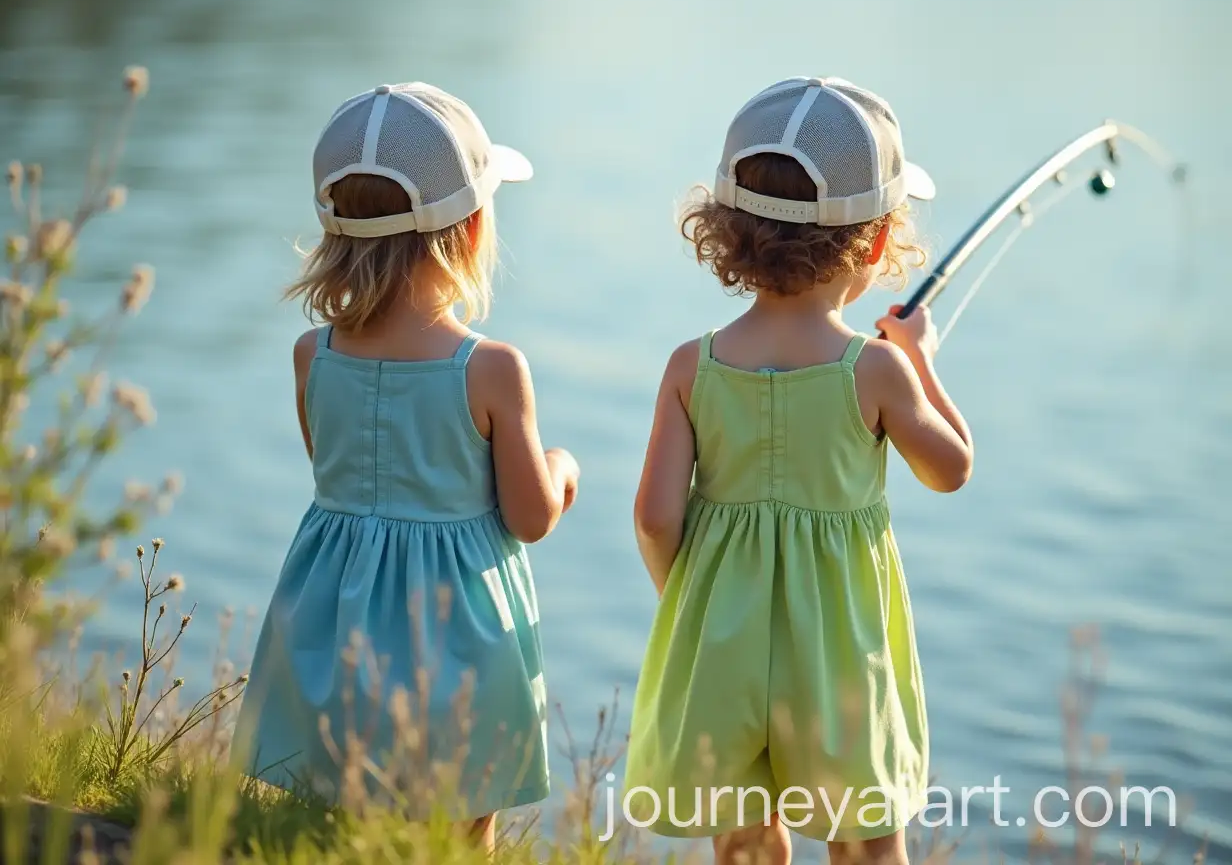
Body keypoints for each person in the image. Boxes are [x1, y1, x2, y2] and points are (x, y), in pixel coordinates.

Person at [624, 77, 974, 865]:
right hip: (841, 649)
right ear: (879, 243)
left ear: (727, 229)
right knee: (865, 841)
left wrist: (688, 599)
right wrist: (922, 362)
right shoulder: (877, 373)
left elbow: (653, 517)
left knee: (745, 840)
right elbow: (952, 469)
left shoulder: (691, 367)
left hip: (720, 635)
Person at [232, 82, 579, 854]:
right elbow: (530, 517)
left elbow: (341, 473)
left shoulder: (310, 355)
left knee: (343, 818)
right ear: (474, 225)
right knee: (462, 827)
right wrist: (561, 466)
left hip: (333, 628)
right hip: (459, 643)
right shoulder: (489, 368)